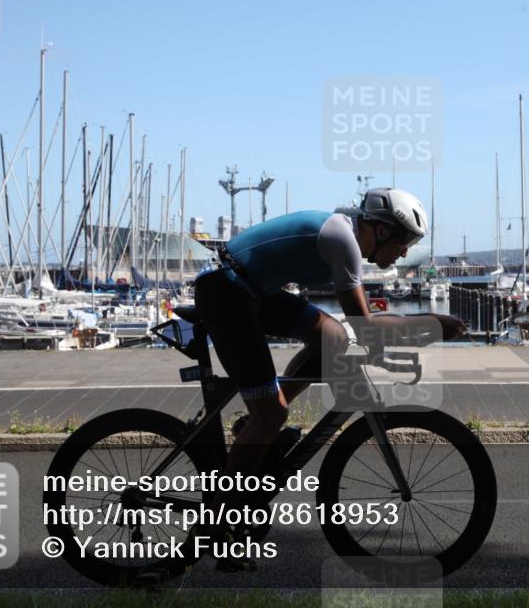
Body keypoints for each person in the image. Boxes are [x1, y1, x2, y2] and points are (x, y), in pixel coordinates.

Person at [190, 187, 466, 570]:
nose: (405, 252)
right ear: (383, 230)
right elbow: (366, 327)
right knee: (269, 416)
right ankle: (220, 527)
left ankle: (262, 428)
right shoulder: (343, 239)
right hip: (226, 291)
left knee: (332, 337)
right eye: (404, 242)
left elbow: (354, 332)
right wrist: (433, 324)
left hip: (250, 289)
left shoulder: (346, 236)